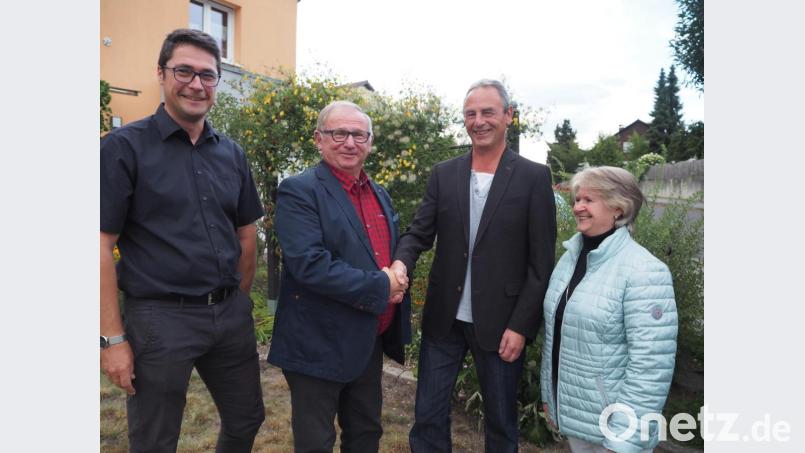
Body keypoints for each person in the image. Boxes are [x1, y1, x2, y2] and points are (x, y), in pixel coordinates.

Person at [100, 29, 265, 453]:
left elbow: (246, 234)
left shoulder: (231, 153)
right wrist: (112, 340)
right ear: (161, 73)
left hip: (228, 314)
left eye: (207, 75)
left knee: (247, 418)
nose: (196, 84)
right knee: (156, 440)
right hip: (159, 319)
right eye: (184, 71)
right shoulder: (122, 149)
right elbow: (98, 245)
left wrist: (240, 302)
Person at [391, 79, 557, 452]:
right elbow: (418, 233)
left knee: (500, 423)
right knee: (428, 416)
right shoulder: (444, 173)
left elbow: (541, 263)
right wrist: (401, 263)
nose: (478, 121)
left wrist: (521, 325)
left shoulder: (533, 177)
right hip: (444, 319)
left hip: (501, 324)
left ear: (508, 117)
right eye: (471, 113)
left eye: (488, 112)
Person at [267, 100, 412, 453]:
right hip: (318, 343)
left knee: (365, 434)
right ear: (319, 139)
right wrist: (383, 285)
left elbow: (392, 243)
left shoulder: (378, 192)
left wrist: (399, 267)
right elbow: (310, 265)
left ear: (370, 142)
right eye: (339, 133)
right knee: (316, 442)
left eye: (359, 135)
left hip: (367, 339)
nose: (350, 142)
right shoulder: (299, 190)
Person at [540, 166, 678, 453]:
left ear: (618, 208)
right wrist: (549, 393)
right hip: (578, 417)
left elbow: (650, 366)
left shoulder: (645, 271)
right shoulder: (570, 258)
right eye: (577, 199)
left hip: (613, 429)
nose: (578, 207)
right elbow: (557, 333)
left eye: (588, 200)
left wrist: (625, 438)